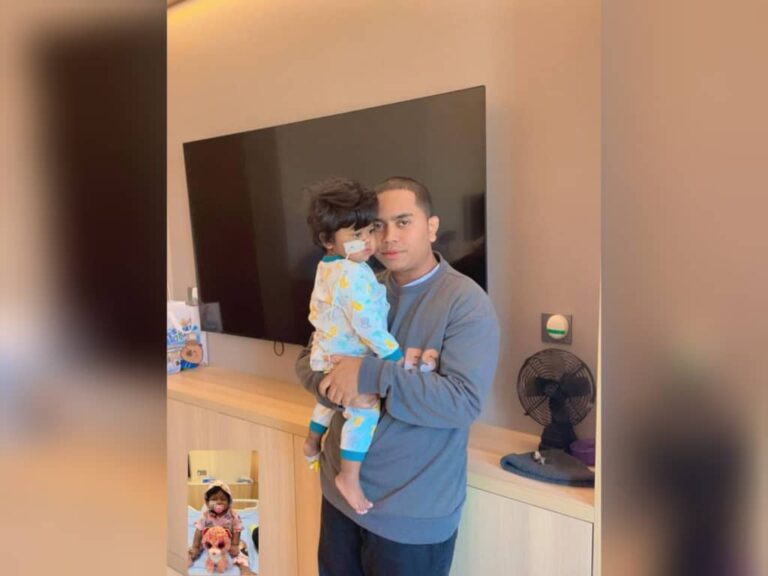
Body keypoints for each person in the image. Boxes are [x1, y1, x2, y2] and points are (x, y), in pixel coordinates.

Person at [295, 176, 500, 575]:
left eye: (403, 222)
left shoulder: (466, 304)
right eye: (376, 225)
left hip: (412, 516)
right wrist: (332, 384)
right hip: (339, 495)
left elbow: (461, 403)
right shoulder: (359, 284)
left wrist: (368, 374)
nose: (387, 237)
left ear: (432, 227)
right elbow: (308, 358)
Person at [303, 176, 404, 515]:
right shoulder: (353, 273)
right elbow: (367, 323)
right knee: (363, 411)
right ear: (327, 240)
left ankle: (312, 440)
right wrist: (393, 354)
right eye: (355, 235)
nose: (368, 242)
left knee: (331, 402)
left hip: (325, 352)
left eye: (369, 231)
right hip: (346, 355)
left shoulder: (327, 267)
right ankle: (349, 476)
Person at [188, 481, 247, 570]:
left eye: (223, 499)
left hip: (227, 541)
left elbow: (237, 530)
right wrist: (195, 547)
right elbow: (199, 530)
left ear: (229, 502)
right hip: (209, 541)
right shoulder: (205, 515)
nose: (219, 502)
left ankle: (244, 568)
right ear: (207, 502)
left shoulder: (232, 515)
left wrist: (234, 544)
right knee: (193, 548)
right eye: (214, 499)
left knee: (241, 548)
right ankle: (189, 558)